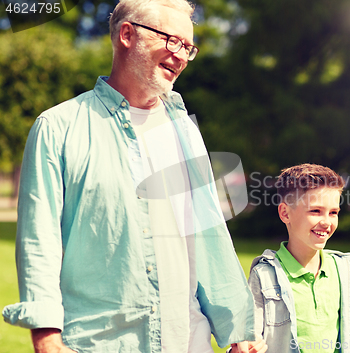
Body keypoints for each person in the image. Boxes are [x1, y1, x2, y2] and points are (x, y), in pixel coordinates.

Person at [2, 1, 265, 352]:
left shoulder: (183, 128)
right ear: (128, 35)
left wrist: (238, 329)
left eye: (188, 48)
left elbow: (207, 231)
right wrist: (46, 337)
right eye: (173, 41)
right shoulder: (57, 128)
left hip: (187, 342)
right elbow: (40, 241)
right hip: (98, 344)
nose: (182, 56)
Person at [246, 164, 350, 353]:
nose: (326, 221)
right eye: (315, 211)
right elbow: (249, 341)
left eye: (333, 212)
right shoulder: (264, 275)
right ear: (285, 213)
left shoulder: (344, 269)